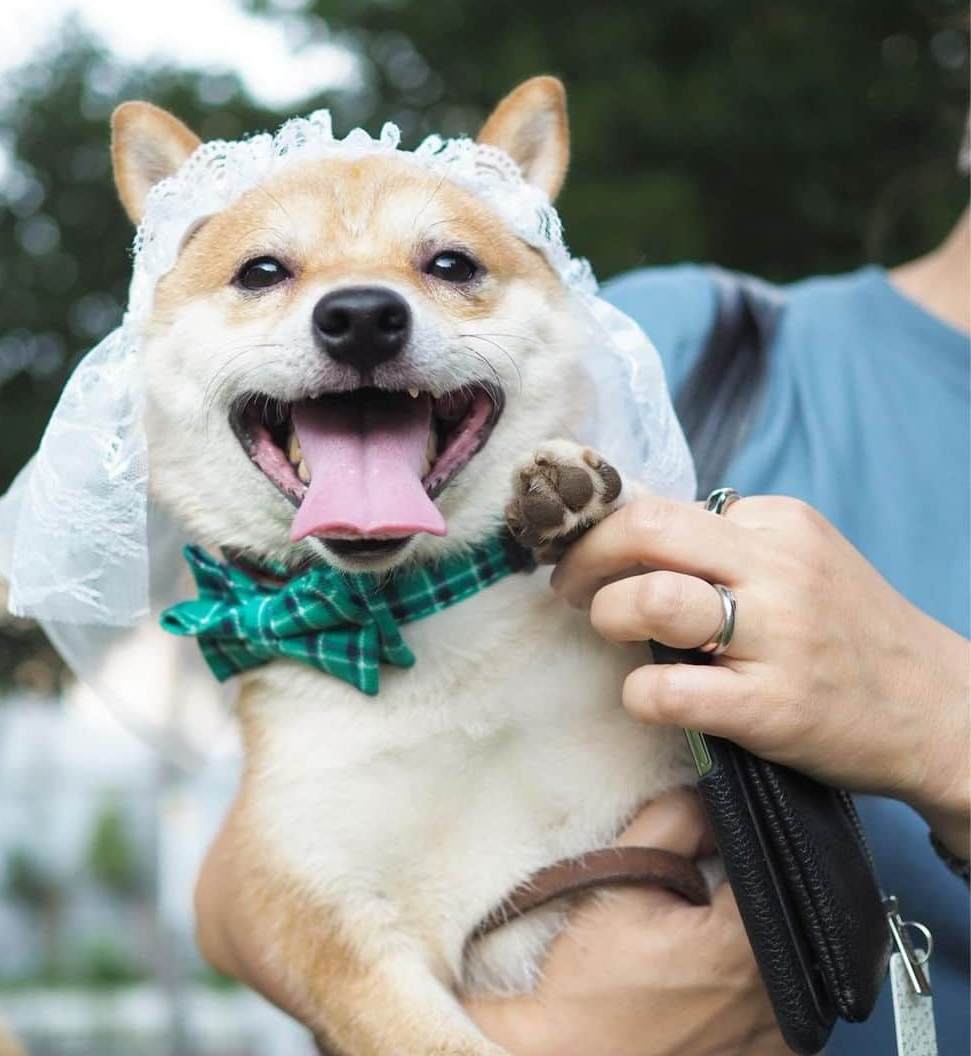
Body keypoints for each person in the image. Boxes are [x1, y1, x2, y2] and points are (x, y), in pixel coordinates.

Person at [194, 205, 970, 1055]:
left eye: (448, 267)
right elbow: (242, 893)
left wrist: (943, 724)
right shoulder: (683, 345)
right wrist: (550, 1037)